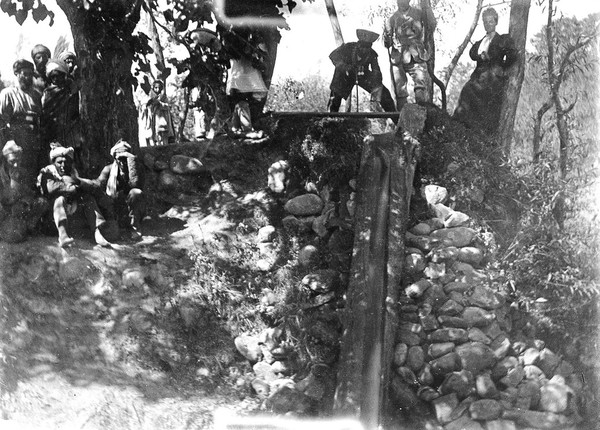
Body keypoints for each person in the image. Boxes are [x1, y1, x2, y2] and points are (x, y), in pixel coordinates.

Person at [453, 7, 517, 134]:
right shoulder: (481, 41)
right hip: (478, 75)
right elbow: (472, 54)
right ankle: (460, 125)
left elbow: (512, 55)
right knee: (466, 90)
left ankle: (481, 131)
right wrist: (480, 57)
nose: (488, 24)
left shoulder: (502, 40)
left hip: (492, 77)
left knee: (482, 98)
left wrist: (500, 66)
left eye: (490, 21)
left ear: (496, 22)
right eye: (485, 22)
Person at [38, 143, 114, 248]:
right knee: (59, 199)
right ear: (53, 163)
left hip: (72, 214)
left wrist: (77, 182)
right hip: (52, 217)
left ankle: (97, 233)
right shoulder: (47, 172)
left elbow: (92, 186)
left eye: (66, 162)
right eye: (59, 162)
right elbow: (51, 188)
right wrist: (72, 188)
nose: (63, 166)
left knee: (88, 199)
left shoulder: (74, 173)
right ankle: (63, 236)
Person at [383, 0, 436, 111]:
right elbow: (387, 42)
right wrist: (387, 36)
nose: (401, 2)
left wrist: (427, 8)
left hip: (416, 54)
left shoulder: (419, 13)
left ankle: (421, 113)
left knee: (420, 84)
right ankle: (402, 117)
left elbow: (431, 25)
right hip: (398, 56)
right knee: (400, 89)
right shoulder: (392, 18)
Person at [328, 29, 396, 113]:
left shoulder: (372, 54)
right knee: (336, 94)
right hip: (345, 74)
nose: (365, 50)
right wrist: (345, 67)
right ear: (358, 44)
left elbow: (376, 72)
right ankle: (329, 118)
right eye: (363, 46)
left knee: (385, 94)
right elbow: (333, 56)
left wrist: (377, 87)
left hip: (363, 75)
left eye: (368, 47)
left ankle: (396, 119)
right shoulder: (348, 47)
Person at [0, 59, 42, 190]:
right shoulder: (8, 94)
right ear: (16, 74)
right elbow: (2, 121)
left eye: (30, 74)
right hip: (15, 146)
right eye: (24, 73)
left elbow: (39, 119)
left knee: (32, 181)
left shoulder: (36, 95)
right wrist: (9, 141)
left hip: (33, 145)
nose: (27, 77)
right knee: (16, 182)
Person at [94, 140, 145, 239]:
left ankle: (135, 227)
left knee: (136, 193)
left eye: (125, 158)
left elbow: (137, 186)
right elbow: (99, 184)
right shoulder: (108, 169)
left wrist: (132, 167)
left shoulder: (137, 169)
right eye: (120, 158)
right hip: (115, 205)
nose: (122, 161)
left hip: (132, 206)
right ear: (115, 159)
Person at [0, 141, 47, 242]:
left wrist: (25, 201)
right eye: (12, 161)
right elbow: (5, 198)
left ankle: (26, 226)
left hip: (19, 209)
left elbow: (30, 193)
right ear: (4, 161)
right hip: (4, 211)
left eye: (18, 161)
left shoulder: (22, 172)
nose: (16, 165)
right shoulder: (1, 175)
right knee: (13, 236)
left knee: (42, 202)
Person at [224, 31, 267, 139]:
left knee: (241, 103)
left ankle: (236, 127)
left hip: (243, 73)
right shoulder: (235, 43)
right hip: (241, 74)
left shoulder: (250, 41)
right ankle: (245, 129)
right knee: (242, 101)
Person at [41, 59, 83, 165]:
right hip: (55, 134)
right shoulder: (47, 94)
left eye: (59, 75)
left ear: (64, 75)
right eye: (53, 76)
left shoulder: (72, 90)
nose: (56, 79)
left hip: (71, 132)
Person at [141, 79, 174, 146]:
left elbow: (168, 106)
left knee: (163, 137)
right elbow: (144, 106)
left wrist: (159, 103)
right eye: (155, 87)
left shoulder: (163, 97)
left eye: (159, 87)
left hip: (162, 120)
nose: (157, 89)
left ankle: (164, 147)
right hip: (152, 121)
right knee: (153, 137)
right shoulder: (149, 97)